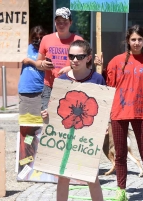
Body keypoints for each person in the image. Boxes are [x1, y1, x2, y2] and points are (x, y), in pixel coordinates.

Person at [105, 25, 143, 201]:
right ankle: (121, 190)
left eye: (140, 39)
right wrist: (99, 67)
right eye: (133, 39)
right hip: (119, 112)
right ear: (127, 41)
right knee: (120, 154)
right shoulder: (116, 61)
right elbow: (107, 86)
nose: (136, 43)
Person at [41, 40, 104, 201]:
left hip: (87, 136)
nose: (75, 60)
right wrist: (47, 114)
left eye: (80, 56)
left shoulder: (97, 79)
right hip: (65, 134)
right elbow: (56, 108)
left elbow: (103, 108)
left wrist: (105, 124)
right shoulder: (61, 80)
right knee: (63, 176)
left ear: (88, 58)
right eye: (71, 56)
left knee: (91, 176)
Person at [35, 7, 83, 111]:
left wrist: (70, 68)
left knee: (69, 120)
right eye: (58, 22)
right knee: (48, 120)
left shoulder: (78, 40)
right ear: (55, 22)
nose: (61, 25)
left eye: (65, 22)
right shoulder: (46, 39)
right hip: (49, 87)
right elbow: (37, 63)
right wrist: (43, 64)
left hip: (71, 86)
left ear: (71, 22)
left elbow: (86, 64)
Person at [18, 25, 46, 123]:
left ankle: (37, 139)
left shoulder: (47, 51)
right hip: (25, 89)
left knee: (39, 123)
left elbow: (46, 67)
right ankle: (27, 139)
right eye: (35, 38)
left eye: (41, 38)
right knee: (26, 122)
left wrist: (30, 61)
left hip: (41, 90)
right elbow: (4, 51)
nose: (38, 40)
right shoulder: (25, 49)